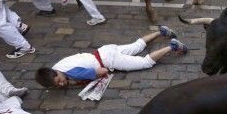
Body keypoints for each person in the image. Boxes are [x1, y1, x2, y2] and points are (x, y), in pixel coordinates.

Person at [35, 26, 188, 88]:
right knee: (136, 46)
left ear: (54, 73)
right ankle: (161, 31)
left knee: (145, 62)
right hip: (104, 50)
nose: (61, 84)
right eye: (57, 85)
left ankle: (173, 46)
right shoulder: (57, 66)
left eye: (59, 81)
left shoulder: (72, 73)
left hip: (108, 60)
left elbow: (102, 72)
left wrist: (76, 83)